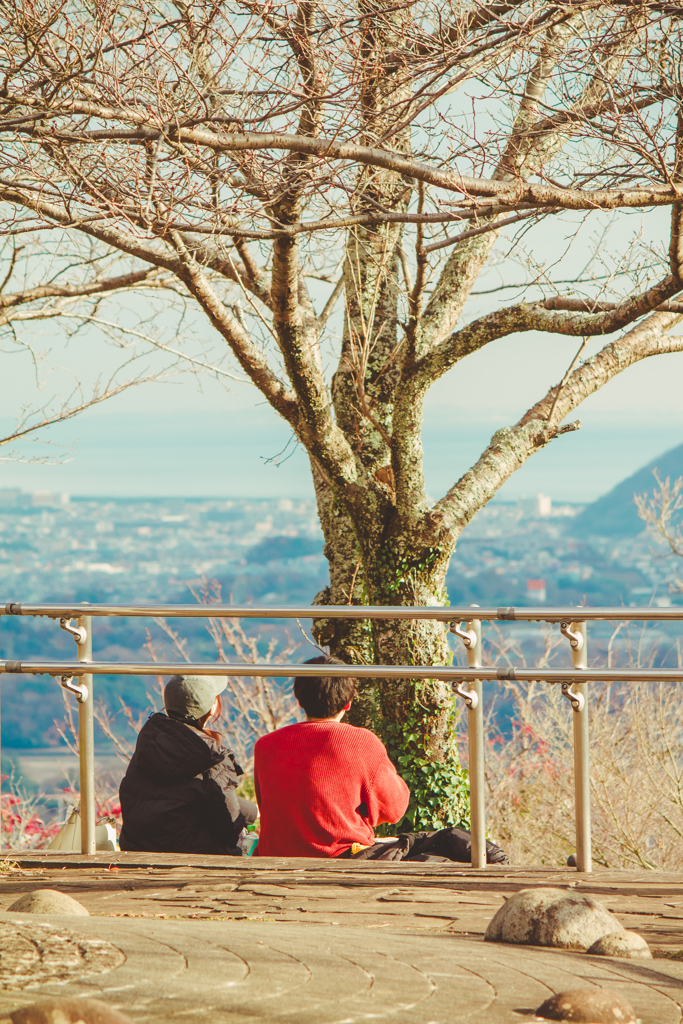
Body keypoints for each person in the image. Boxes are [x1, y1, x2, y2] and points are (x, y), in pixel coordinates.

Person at [254, 656, 508, 864]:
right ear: (348, 703)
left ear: (299, 699)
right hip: (344, 859)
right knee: (446, 844)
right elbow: (394, 810)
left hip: (276, 861)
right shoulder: (360, 742)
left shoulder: (265, 745)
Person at [119, 674, 257, 855]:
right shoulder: (212, 758)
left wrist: (249, 809)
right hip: (195, 860)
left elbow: (177, 796)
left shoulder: (149, 742)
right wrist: (251, 813)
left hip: (138, 854)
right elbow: (229, 830)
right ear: (212, 708)